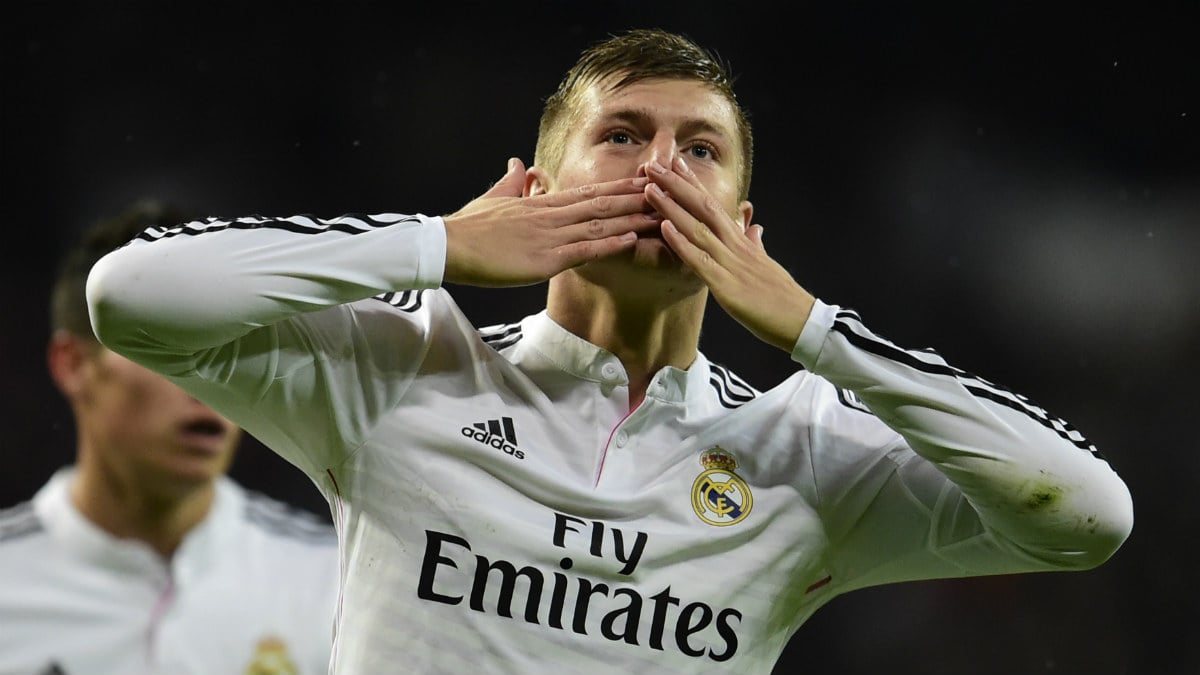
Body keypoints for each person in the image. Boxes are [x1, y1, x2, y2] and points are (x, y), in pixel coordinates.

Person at [85, 29, 1133, 674]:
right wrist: (440, 242)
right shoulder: (401, 367)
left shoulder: (804, 451)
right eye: (623, 135)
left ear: (744, 222)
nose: (660, 170)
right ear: (538, 192)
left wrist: (813, 329)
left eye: (701, 150)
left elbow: (1089, 517)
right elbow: (128, 296)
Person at [0, 200, 340, 675]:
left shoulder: (334, 582)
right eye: (168, 349)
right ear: (74, 364)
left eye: (232, 349)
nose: (211, 382)